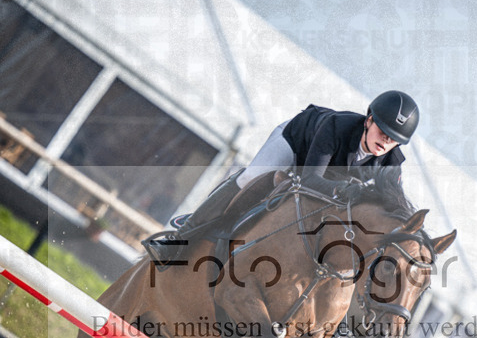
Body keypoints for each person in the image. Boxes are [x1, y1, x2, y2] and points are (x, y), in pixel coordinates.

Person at [142, 90, 420, 264]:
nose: (385, 141)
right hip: (296, 144)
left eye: (393, 139)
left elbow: (391, 207)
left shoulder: (392, 165)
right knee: (252, 178)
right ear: (368, 120)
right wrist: (345, 191)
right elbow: (309, 180)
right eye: (382, 131)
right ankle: (180, 237)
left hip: (327, 177)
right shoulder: (336, 127)